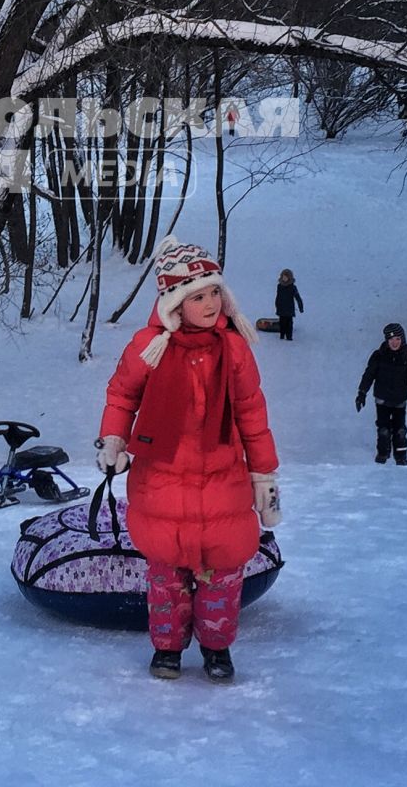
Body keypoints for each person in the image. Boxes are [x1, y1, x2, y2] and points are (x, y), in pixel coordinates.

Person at [97, 236, 280, 683]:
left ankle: (217, 649)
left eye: (215, 292)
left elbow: (252, 412)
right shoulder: (149, 346)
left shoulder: (233, 349)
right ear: (176, 304)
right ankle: (168, 650)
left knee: (222, 577)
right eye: (198, 296)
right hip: (162, 480)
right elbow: (122, 395)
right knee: (166, 579)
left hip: (223, 483)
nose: (211, 303)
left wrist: (263, 476)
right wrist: (113, 440)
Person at [356, 323, 407, 465]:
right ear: (386, 341)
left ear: (403, 339)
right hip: (382, 399)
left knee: (400, 430)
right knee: (383, 430)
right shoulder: (379, 356)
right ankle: (382, 454)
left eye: (397, 339)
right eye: (391, 340)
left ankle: (401, 456)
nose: (394, 343)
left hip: (399, 400)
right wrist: (362, 393)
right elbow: (368, 375)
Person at [274, 270, 305, 341]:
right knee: (282, 322)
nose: (284, 278)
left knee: (289, 323)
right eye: (283, 277)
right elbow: (278, 296)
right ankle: (282, 335)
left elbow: (298, 297)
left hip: (289, 309)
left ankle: (289, 336)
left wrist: (301, 307)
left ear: (289, 278)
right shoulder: (279, 286)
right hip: (281, 308)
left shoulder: (292, 287)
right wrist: (277, 305)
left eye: (286, 277)